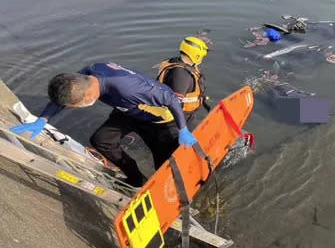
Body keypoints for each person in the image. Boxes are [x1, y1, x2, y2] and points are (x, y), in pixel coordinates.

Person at [10, 62, 198, 187]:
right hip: (128, 111)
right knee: (101, 140)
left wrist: (182, 129)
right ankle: (136, 179)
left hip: (158, 119)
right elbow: (64, 98)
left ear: (89, 97)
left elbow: (171, 98)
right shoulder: (87, 74)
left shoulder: (128, 87)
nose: (74, 109)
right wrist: (43, 120)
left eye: (76, 106)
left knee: (164, 165)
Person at [152, 36, 210, 153]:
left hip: (186, 116)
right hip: (174, 122)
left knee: (200, 142)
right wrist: (182, 130)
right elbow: (174, 104)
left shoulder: (175, 62)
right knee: (185, 151)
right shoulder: (181, 74)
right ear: (196, 55)